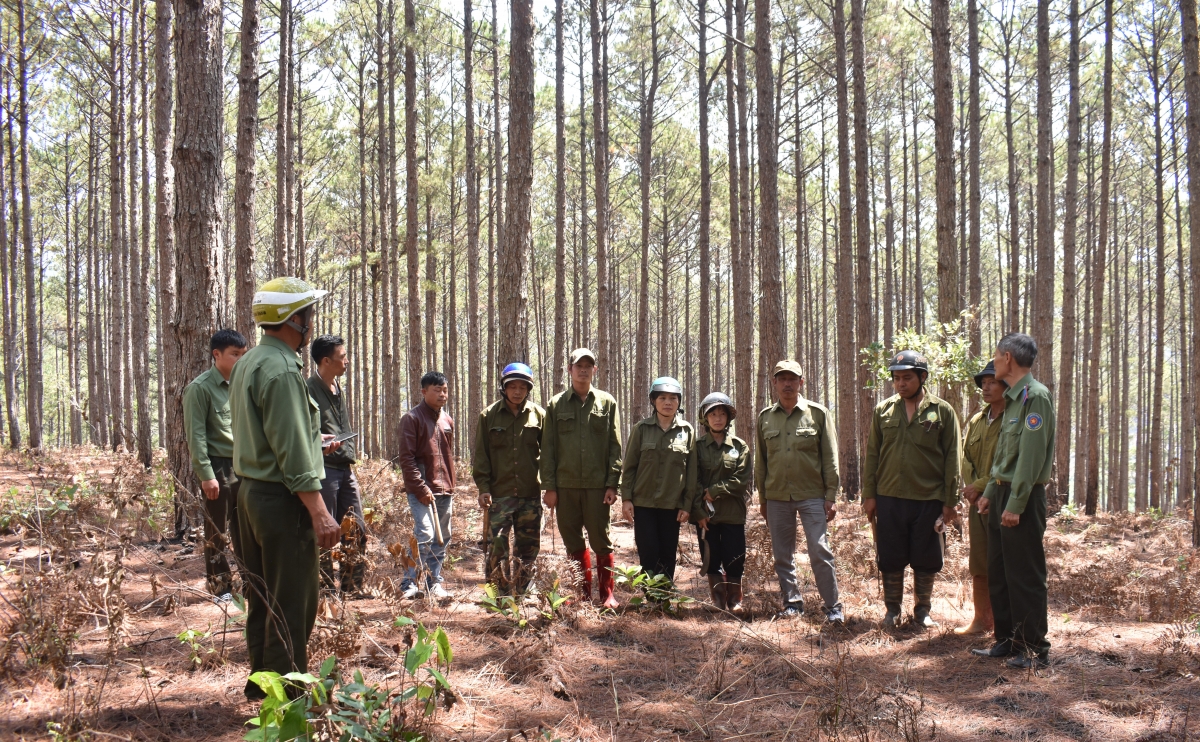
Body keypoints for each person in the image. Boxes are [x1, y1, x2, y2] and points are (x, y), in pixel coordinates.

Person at [230, 277, 341, 701]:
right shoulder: (281, 370)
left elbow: (269, 433)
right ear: (294, 318)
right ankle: (287, 699)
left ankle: (262, 686)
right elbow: (291, 449)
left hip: (250, 496)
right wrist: (318, 510)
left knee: (262, 596)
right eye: (307, 313)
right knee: (292, 603)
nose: (310, 321)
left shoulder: (250, 362)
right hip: (282, 502)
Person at [971, 333, 1056, 669]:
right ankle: (1007, 640)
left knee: (1025, 574)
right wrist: (991, 493)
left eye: (995, 355)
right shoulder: (1012, 398)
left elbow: (1031, 458)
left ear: (1007, 358)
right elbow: (1005, 454)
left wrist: (1016, 503)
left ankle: (1034, 647)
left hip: (1023, 495)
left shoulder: (1036, 397)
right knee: (1000, 570)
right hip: (1003, 492)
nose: (994, 361)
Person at [862, 350, 961, 629]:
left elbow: (953, 457)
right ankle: (892, 611)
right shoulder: (883, 411)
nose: (901, 383)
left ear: (923, 377)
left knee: (926, 557)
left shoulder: (942, 411)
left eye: (907, 377)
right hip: (889, 497)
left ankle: (922, 611)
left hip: (928, 498)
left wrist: (949, 501)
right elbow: (872, 455)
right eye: (896, 378)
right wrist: (869, 495)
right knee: (890, 555)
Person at [757, 360, 844, 623]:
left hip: (812, 495)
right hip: (777, 496)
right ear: (774, 383)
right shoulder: (765, 417)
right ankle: (792, 603)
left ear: (801, 382)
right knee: (782, 554)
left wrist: (831, 496)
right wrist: (763, 499)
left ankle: (833, 608)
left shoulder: (817, 414)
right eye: (781, 379)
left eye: (792, 379)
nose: (787, 384)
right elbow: (761, 463)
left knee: (819, 550)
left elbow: (830, 457)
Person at [540, 348, 623, 609]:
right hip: (565, 488)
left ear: (594, 370)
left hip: (597, 488)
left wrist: (612, 483)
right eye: (579, 365)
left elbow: (615, 446)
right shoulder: (556, 405)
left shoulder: (607, 402)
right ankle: (583, 593)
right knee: (572, 540)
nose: (584, 370)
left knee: (601, 539)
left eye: (589, 366)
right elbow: (549, 449)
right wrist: (549, 487)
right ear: (570, 369)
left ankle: (607, 594)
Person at [183, 329, 248, 601]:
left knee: (246, 529)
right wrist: (206, 475)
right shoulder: (199, 389)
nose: (240, 360)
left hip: (245, 466)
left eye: (243, 355)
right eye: (235, 354)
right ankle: (220, 587)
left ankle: (251, 581)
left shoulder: (242, 384)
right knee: (217, 530)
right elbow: (196, 436)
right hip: (218, 469)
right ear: (216, 354)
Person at [472, 362, 546, 598]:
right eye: (512, 386)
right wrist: (483, 487)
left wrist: (551, 486)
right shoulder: (488, 416)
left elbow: (549, 455)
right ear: (504, 388)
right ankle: (496, 592)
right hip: (500, 494)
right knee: (498, 546)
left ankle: (525, 590)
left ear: (528, 389)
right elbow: (481, 455)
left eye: (522, 387)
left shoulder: (540, 416)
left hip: (529, 493)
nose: (517, 391)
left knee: (528, 546)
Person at [306, 335, 368, 598]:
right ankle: (324, 590)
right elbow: (303, 429)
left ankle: (352, 587)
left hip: (344, 468)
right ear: (325, 361)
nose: (347, 361)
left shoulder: (336, 387)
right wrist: (318, 443)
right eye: (342, 356)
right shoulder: (308, 388)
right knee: (325, 531)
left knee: (355, 527)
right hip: (324, 469)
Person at [619, 377, 697, 583]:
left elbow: (691, 474)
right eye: (662, 397)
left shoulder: (687, 431)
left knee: (668, 553)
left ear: (679, 402)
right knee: (648, 552)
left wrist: (686, 504)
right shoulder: (641, 429)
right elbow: (630, 467)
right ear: (653, 401)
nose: (668, 402)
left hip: (672, 505)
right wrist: (626, 498)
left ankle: (664, 597)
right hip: (644, 503)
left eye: (673, 398)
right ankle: (651, 597)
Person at [955, 360, 1005, 635]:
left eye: (992, 382)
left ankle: (1005, 623)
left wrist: (984, 484)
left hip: (1003, 499)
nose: (986, 387)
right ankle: (981, 620)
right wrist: (972, 486)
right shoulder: (976, 420)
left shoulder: (1014, 418)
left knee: (1003, 562)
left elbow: (1010, 460)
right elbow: (965, 458)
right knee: (979, 561)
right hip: (977, 502)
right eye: (983, 383)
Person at [398, 371, 456, 601]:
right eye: (437, 390)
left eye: (445, 390)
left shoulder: (447, 420)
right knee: (424, 534)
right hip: (421, 490)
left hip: (445, 489)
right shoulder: (411, 419)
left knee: (444, 537)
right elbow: (407, 459)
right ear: (424, 391)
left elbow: (447, 455)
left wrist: (451, 484)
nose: (442, 394)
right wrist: (421, 489)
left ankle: (435, 583)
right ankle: (409, 583)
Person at [692, 392, 751, 612]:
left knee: (735, 557)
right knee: (710, 556)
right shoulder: (696, 447)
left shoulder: (740, 446)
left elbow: (741, 480)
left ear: (728, 417)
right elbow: (692, 480)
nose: (718, 418)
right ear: (705, 418)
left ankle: (735, 599)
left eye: (722, 414)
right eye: (713, 414)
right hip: (706, 516)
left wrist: (714, 491)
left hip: (732, 513)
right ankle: (717, 600)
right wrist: (699, 511)